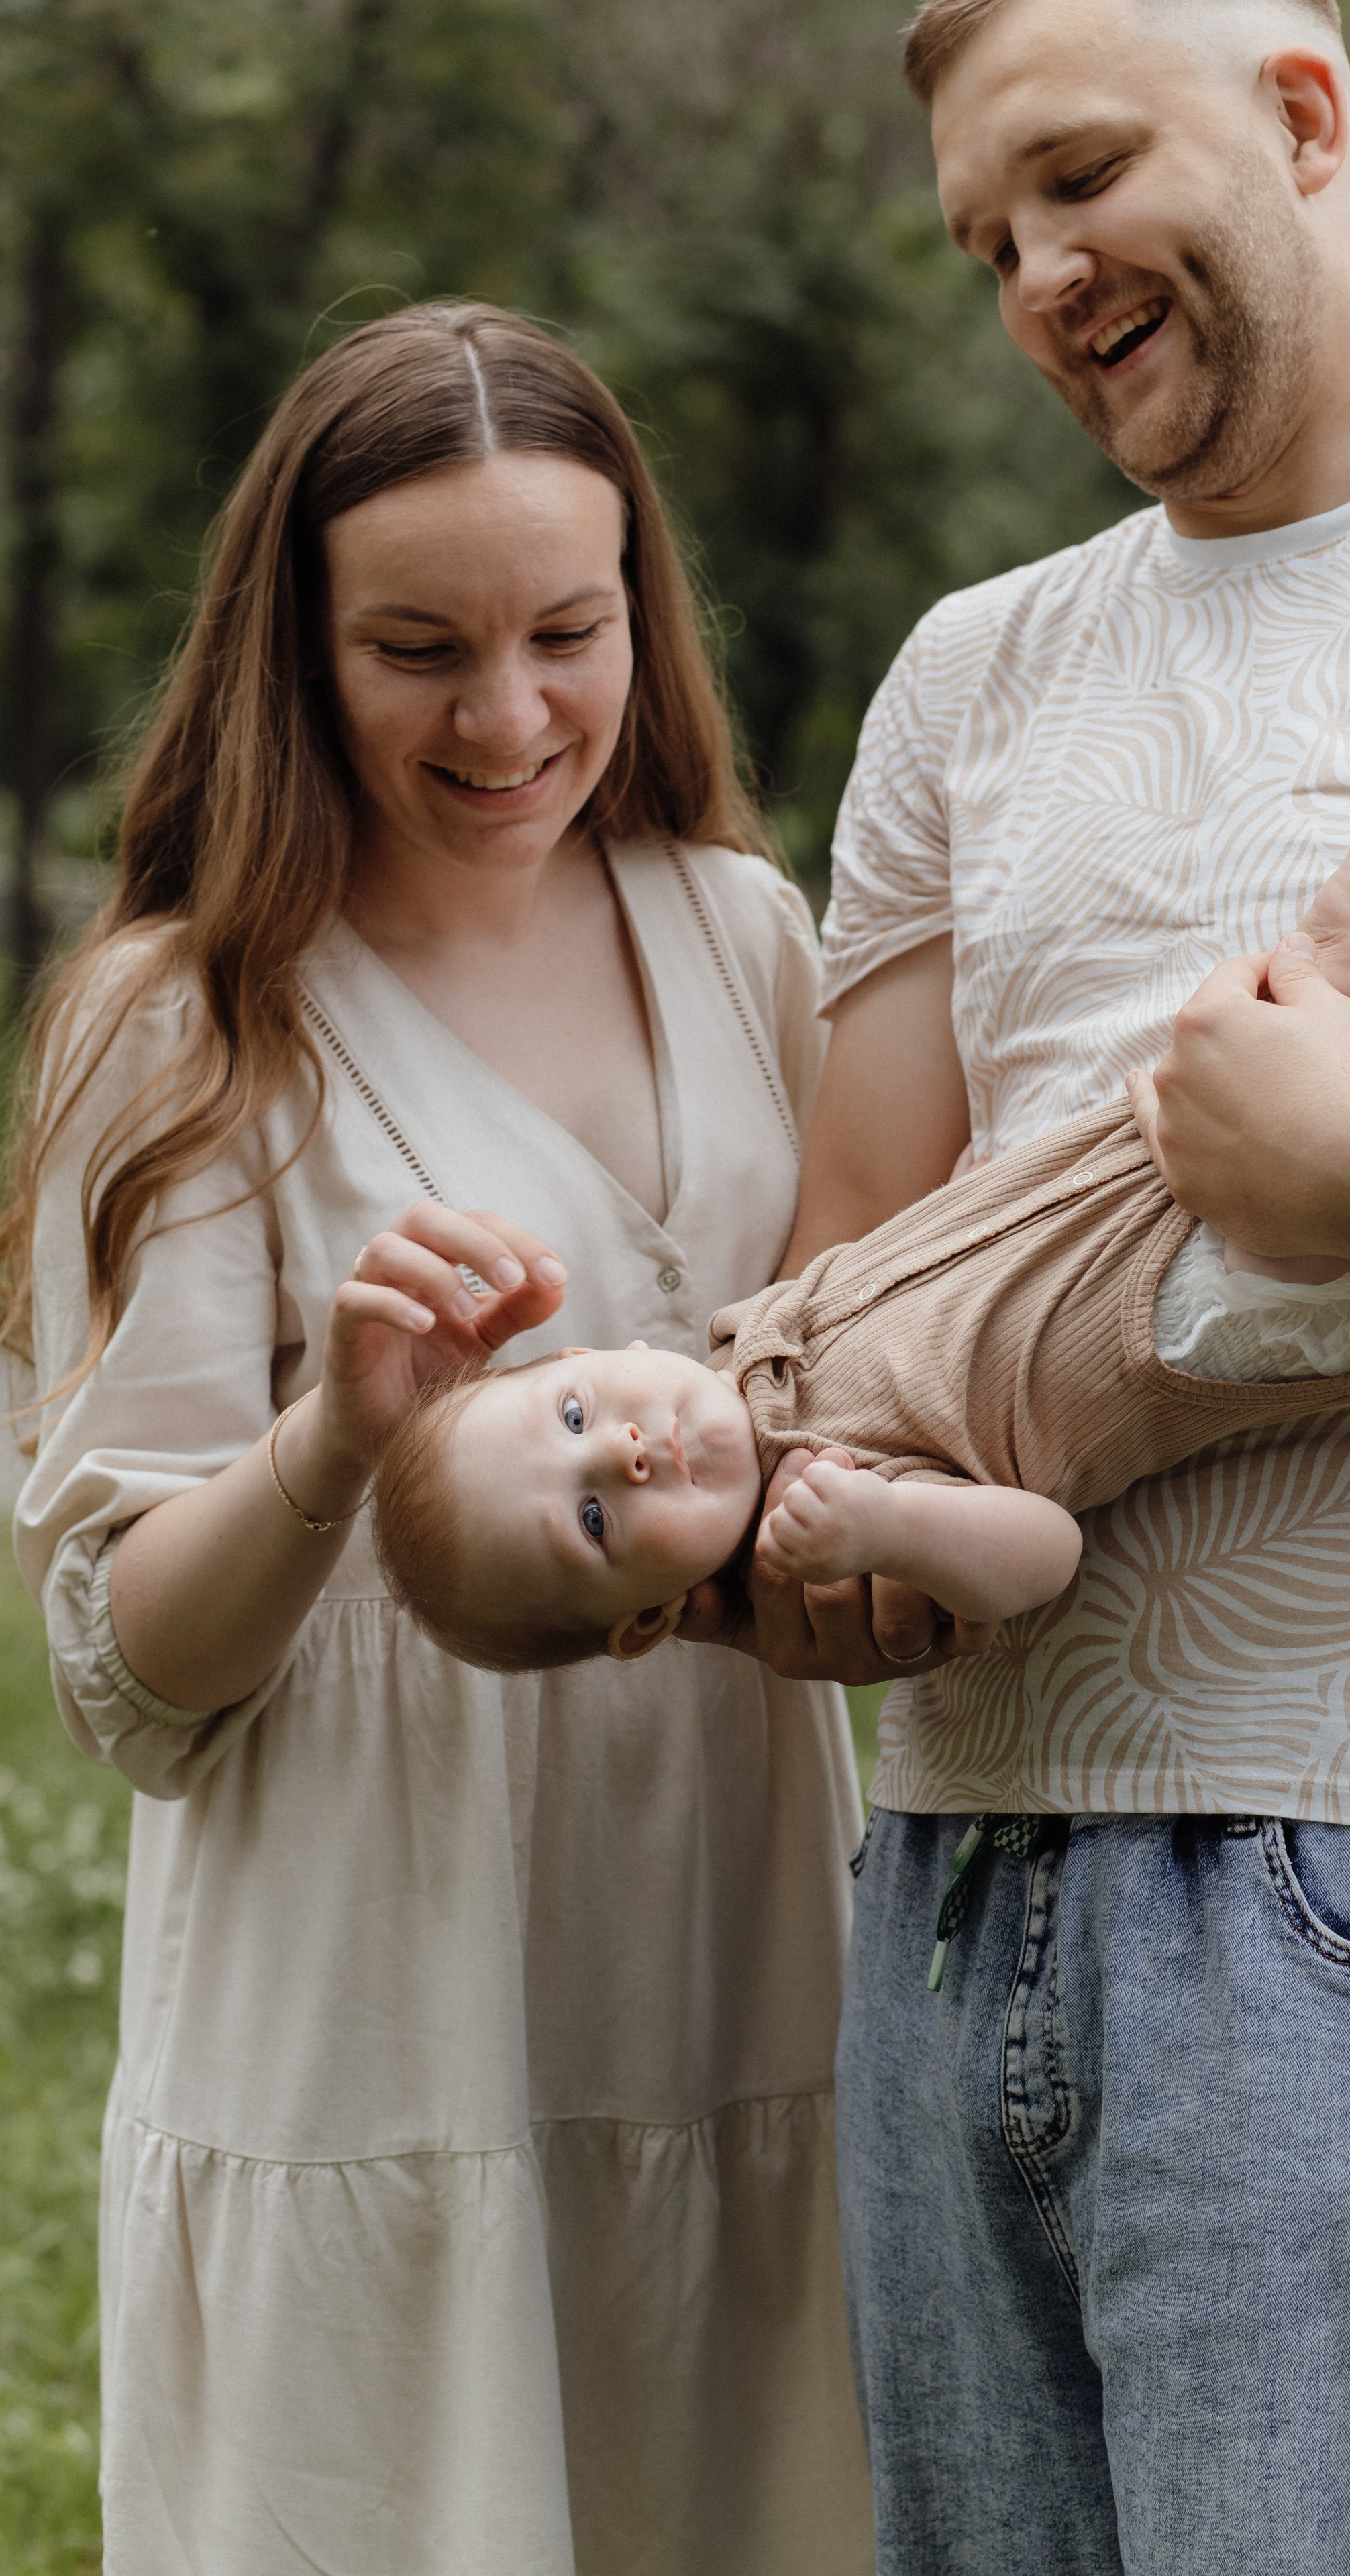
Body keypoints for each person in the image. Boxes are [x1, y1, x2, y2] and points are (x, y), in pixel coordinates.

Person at [740, 2, 1350, 2571]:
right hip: (948, 1871)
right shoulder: (972, 670)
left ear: (1302, 115)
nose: (1039, 276)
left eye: (1077, 180)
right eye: (987, 239)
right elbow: (852, 1248)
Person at [5, 303, 872, 2576]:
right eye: (416, 650)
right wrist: (335, 1438)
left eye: (565, 634)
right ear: (293, 650)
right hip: (385, 2014)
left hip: (745, 1964)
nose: (508, 720)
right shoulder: (185, 1020)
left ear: (637, 618)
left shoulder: (751, 942)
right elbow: (130, 1683)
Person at [373, 493, 1350, 1695]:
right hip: (1254, 1286)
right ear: (644, 1619)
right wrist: (880, 1531)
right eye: (597, 1522)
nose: (626, 1455)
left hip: (1170, 1183)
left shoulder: (749, 1345)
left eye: (570, 1418)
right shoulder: (831, 1497)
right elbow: (1033, 1552)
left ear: (586, 1357)